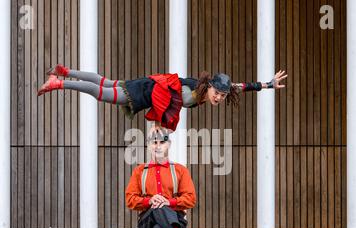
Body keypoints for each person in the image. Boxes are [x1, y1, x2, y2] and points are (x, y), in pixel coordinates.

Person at [37, 64, 287, 131]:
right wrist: (162, 124)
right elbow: (169, 106)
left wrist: (266, 84)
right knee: (103, 93)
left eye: (222, 95)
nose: (219, 98)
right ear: (209, 87)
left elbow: (239, 86)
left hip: (148, 83)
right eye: (217, 94)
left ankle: (65, 71)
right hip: (146, 92)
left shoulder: (207, 88)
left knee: (106, 81)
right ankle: (59, 83)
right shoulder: (191, 94)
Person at [125, 125, 201, 228]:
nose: (158, 146)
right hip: (147, 223)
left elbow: (191, 199)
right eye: (154, 142)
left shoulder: (180, 170)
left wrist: (169, 202)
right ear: (148, 145)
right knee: (157, 206)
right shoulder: (140, 171)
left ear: (169, 144)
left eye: (162, 142)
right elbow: (130, 199)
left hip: (177, 220)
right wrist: (150, 201)